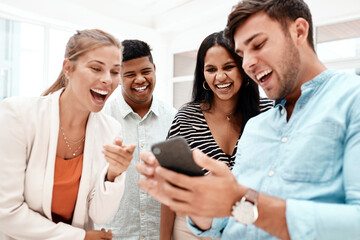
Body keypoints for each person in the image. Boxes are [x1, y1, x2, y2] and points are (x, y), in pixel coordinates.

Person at [135, 0, 360, 239]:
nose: (248, 63)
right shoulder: (256, 127)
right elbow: (235, 217)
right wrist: (201, 206)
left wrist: (237, 199)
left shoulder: (351, 100)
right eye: (242, 54)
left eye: (258, 44)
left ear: (299, 31)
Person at [0, 29, 136, 240]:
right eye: (96, 68)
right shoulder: (17, 115)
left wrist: (114, 174)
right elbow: (6, 213)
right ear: (68, 69)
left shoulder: (111, 129)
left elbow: (99, 214)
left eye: (115, 71)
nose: (107, 80)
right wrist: (79, 237)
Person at [160, 31, 273, 240]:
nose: (220, 77)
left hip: (249, 228)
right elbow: (170, 187)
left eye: (228, 67)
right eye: (211, 69)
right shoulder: (186, 117)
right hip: (193, 229)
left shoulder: (270, 113)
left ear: (243, 68)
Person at [99, 39, 176, 240]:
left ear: (155, 69)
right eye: (130, 74)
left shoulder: (174, 118)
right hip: (115, 234)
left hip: (161, 234)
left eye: (145, 71)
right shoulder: (101, 118)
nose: (140, 79)